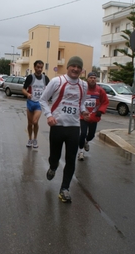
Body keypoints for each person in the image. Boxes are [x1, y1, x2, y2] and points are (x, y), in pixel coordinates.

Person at [39, 56, 89, 203]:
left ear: (81, 70)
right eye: (73, 66)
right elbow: (43, 99)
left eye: (78, 67)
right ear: (68, 67)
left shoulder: (83, 85)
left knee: (71, 159)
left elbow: (81, 103)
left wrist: (84, 111)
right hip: (57, 126)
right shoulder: (57, 81)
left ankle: (64, 189)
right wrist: (49, 116)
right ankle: (53, 167)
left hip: (74, 127)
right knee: (54, 157)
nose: (75, 69)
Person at [77, 72, 109, 161]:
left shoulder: (100, 90)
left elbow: (105, 102)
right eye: (91, 77)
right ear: (88, 79)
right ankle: (80, 152)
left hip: (94, 116)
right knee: (83, 133)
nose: (92, 79)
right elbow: (78, 100)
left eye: (94, 78)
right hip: (83, 116)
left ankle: (86, 142)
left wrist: (100, 111)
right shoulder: (83, 89)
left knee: (91, 135)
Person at [22, 60, 50, 148]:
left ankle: (35, 139)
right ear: (34, 67)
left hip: (39, 103)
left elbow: (50, 90)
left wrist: (48, 97)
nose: (39, 69)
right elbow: (23, 89)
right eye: (38, 67)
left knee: (35, 121)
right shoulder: (30, 77)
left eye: (41, 67)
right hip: (30, 102)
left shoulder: (45, 78)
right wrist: (27, 94)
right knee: (30, 123)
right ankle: (30, 139)